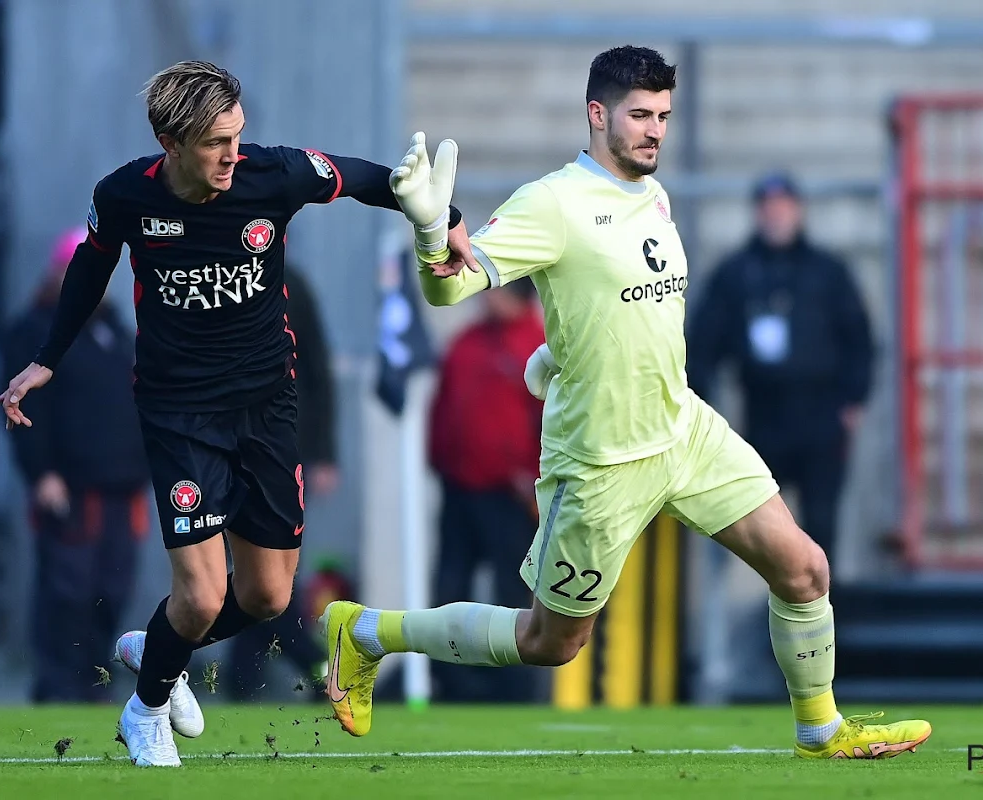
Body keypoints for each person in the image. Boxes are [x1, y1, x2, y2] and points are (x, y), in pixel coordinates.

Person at [320, 46, 931, 759]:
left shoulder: (656, 195)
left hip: (683, 431)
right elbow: (451, 287)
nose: (655, 131)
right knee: (550, 642)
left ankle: (821, 731)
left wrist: (557, 354)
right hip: (602, 461)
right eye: (641, 115)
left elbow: (621, 309)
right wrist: (430, 232)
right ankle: (365, 633)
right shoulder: (552, 203)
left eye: (664, 116)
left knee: (804, 569)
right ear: (598, 113)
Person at [0, 60, 476, 767]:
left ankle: (153, 650)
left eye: (237, 136)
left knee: (269, 595)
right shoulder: (125, 195)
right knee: (200, 592)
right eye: (216, 142)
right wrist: (47, 358)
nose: (231, 154)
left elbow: (372, 180)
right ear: (170, 141)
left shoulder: (271, 176)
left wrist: (447, 220)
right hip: (179, 412)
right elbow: (90, 269)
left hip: (266, 406)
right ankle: (146, 708)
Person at [686, 171, 874, 558]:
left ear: (798, 212)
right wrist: (699, 410)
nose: (776, 216)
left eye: (784, 208)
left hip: (821, 415)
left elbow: (860, 338)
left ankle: (821, 613)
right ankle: (777, 611)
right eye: (768, 208)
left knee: (821, 524)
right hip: (763, 415)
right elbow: (702, 343)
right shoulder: (736, 272)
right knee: (760, 524)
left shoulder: (827, 272)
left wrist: (854, 400)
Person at [0, 228, 150, 703]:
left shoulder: (114, 329)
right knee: (69, 588)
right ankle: (59, 681)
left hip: (123, 484)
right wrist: (40, 472)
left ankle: (93, 677)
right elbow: (27, 411)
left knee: (114, 586)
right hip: (71, 485)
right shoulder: (37, 330)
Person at [426, 279, 546, 703]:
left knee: (511, 597)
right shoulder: (466, 343)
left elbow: (555, 422)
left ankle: (515, 691)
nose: (488, 299)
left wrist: (533, 479)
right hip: (460, 489)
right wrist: (438, 462)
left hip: (512, 497)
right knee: (448, 590)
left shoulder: (540, 348)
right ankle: (452, 685)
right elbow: (444, 406)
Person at [223, 264, 336, 701]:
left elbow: (318, 369)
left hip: (282, 449)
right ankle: (315, 667)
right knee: (246, 572)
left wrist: (323, 449)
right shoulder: (213, 279)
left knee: (272, 571)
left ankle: (246, 676)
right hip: (226, 448)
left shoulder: (292, 284)